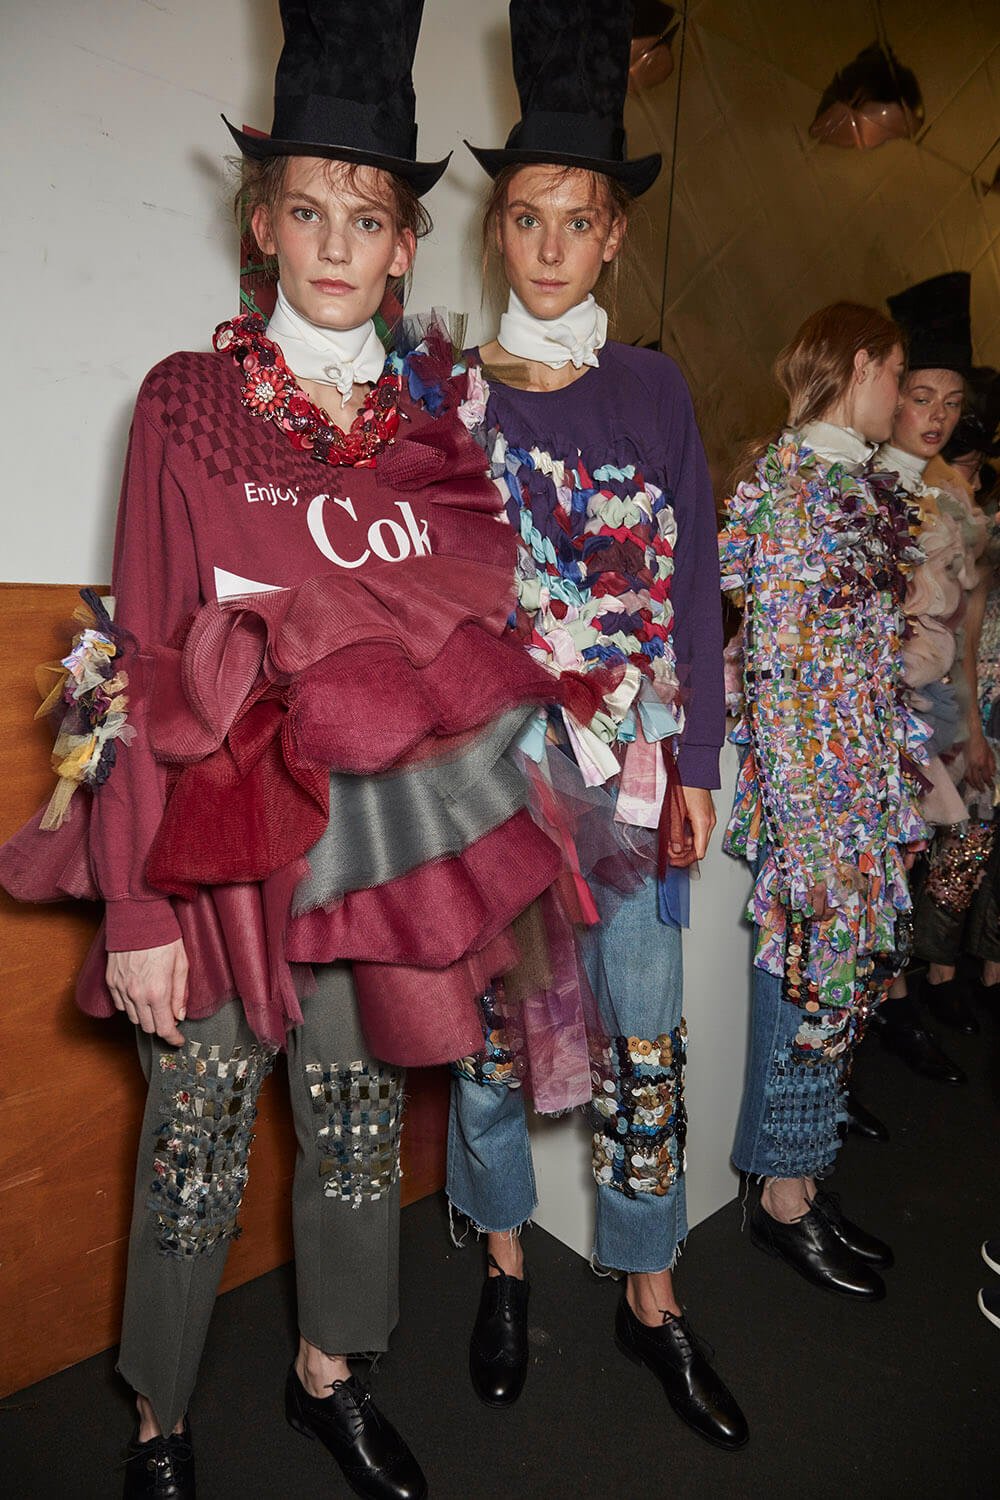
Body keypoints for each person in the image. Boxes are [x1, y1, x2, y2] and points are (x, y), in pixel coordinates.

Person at [0, 5, 576, 1497]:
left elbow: (461, 660)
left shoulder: (434, 437)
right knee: (193, 1144)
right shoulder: (184, 402)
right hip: (212, 848)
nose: (335, 241)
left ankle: (332, 1374)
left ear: (404, 248)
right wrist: (134, 905)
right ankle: (161, 1419)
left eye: (367, 217)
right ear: (262, 222)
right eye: (309, 208)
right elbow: (136, 655)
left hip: (374, 850)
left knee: (358, 1130)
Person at [446, 0, 747, 1453]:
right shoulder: (451, 399)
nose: (552, 246)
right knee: (495, 1033)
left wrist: (697, 763)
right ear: (497, 231)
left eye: (579, 220)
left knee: (645, 1028)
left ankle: (648, 1284)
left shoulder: (655, 389)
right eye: (527, 218)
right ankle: (503, 1258)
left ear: (615, 235)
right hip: (496, 779)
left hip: (632, 775)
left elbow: (691, 585)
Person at [720, 301, 922, 1301]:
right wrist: (810, 837)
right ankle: (780, 1196)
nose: (904, 399)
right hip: (815, 799)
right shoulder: (798, 485)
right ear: (862, 366)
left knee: (833, 996)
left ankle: (800, 1175)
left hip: (851, 790)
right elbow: (782, 673)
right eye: (900, 378)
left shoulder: (842, 478)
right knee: (807, 990)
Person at [872, 275, 988, 1075]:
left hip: (931, 706)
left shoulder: (951, 497)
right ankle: (883, 1010)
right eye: (922, 397)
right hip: (866, 711)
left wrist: (971, 723)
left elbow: (966, 629)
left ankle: (894, 1001)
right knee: (873, 869)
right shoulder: (861, 482)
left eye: (951, 402)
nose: (937, 416)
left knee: (909, 860)